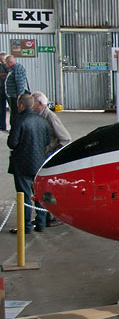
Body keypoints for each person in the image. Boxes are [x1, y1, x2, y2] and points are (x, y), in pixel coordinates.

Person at [8, 93, 49, 233]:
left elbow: (12, 143)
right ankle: (41, 222)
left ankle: (26, 226)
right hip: (38, 163)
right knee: (38, 194)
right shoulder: (42, 121)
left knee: (24, 196)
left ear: (20, 105)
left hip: (22, 164)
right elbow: (47, 141)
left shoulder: (18, 120)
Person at [4, 55, 29, 122]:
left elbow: (20, 84)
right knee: (13, 114)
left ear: (9, 62)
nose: (6, 65)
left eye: (6, 63)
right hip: (12, 96)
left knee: (16, 115)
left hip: (15, 97)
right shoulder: (13, 69)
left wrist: (19, 99)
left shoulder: (17, 69)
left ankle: (16, 129)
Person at [0, 53, 8, 132]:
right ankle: (2, 126)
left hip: (8, 90)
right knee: (1, 108)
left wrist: (4, 74)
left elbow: (10, 73)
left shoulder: (9, 66)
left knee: (13, 109)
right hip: (1, 89)